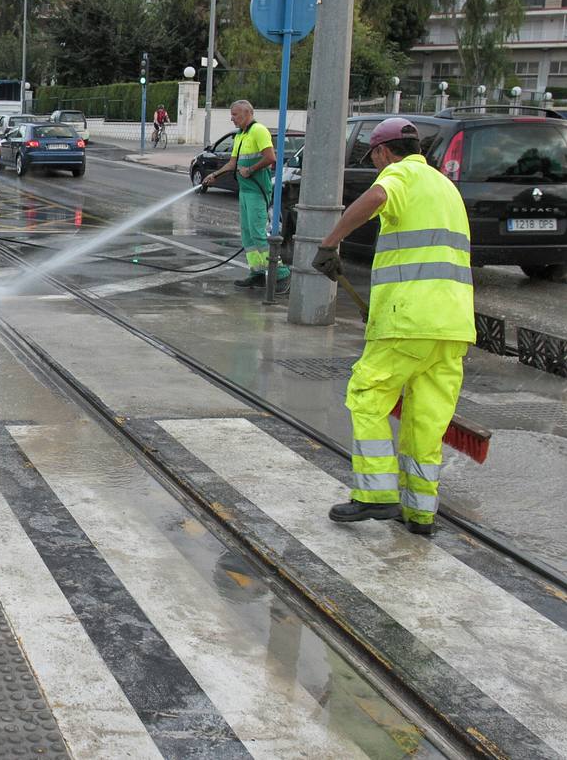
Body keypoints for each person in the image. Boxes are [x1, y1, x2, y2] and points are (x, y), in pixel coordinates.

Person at [311, 118, 474, 536]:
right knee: (426, 422)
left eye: (375, 157)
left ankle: (375, 493)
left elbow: (375, 197)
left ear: (383, 152)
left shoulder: (401, 173)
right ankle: (420, 514)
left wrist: (329, 243)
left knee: (366, 394)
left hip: (409, 322)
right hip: (452, 326)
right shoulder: (445, 187)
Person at [203, 100, 290, 292]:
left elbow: (271, 157)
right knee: (247, 234)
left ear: (248, 113)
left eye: (235, 114)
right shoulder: (241, 135)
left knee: (258, 233)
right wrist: (214, 176)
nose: (232, 118)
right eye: (231, 114)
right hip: (245, 191)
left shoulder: (258, 130)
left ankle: (281, 274)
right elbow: (233, 163)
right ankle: (257, 272)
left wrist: (250, 169)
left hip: (257, 190)